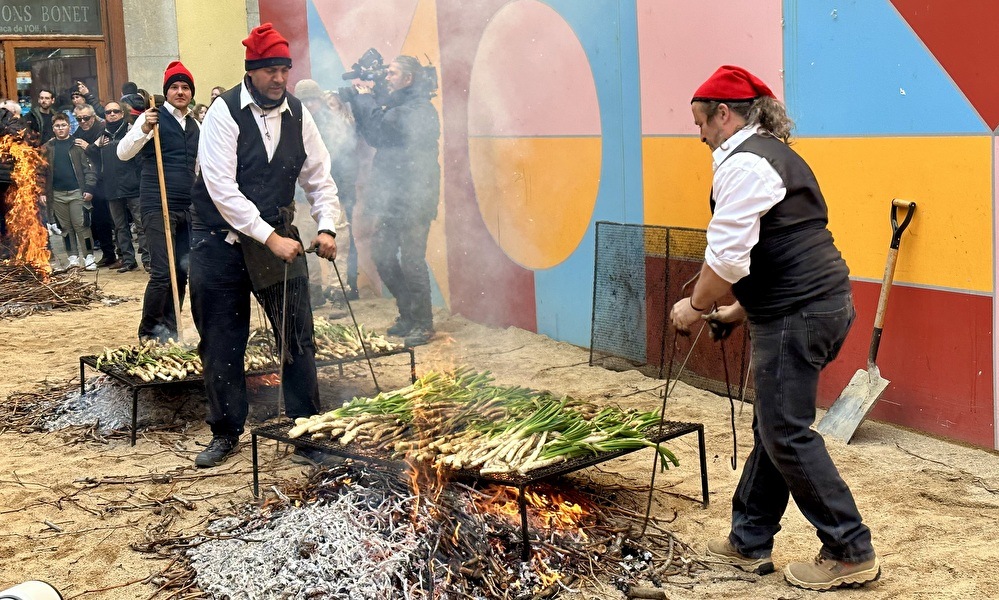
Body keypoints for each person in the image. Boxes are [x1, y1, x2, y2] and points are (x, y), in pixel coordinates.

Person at [668, 65, 879, 591]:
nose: (699, 135)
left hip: (799, 312)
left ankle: (850, 549)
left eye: (700, 123)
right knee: (776, 424)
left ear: (723, 113)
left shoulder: (744, 165)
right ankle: (749, 540)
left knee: (785, 431)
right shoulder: (774, 154)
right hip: (818, 302)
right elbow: (781, 242)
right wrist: (739, 310)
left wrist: (695, 305)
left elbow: (729, 257)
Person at [188, 23, 341, 468]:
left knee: (297, 335)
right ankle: (225, 430)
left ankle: (305, 427)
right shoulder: (222, 112)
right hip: (219, 241)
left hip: (277, 234)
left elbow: (319, 177)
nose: (279, 79)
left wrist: (327, 226)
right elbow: (221, 187)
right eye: (270, 71)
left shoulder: (299, 113)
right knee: (221, 338)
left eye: (284, 70)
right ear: (250, 72)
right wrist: (268, 237)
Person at [343, 55, 440, 346]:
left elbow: (383, 129)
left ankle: (423, 323)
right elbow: (376, 133)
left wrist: (365, 100)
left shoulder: (420, 109)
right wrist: (368, 100)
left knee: (411, 260)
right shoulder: (399, 103)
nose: (387, 77)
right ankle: (408, 313)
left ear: (408, 78)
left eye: (393, 73)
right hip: (391, 196)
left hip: (415, 197)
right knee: (383, 257)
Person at [117, 61, 200, 342]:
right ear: (167, 91)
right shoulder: (151, 118)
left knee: (181, 273)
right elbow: (122, 153)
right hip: (157, 204)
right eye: (174, 87)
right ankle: (149, 331)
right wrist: (143, 130)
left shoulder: (195, 125)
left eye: (185, 87)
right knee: (162, 273)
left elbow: (200, 167)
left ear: (191, 93)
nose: (180, 91)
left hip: (186, 208)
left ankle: (171, 330)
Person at [293, 79, 359, 303]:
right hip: (303, 195)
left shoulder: (333, 123)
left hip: (333, 192)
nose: (309, 104)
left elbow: (345, 160)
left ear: (319, 99)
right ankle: (315, 290)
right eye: (304, 100)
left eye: (312, 99)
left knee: (336, 241)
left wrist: (341, 192)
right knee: (304, 240)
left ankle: (339, 291)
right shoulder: (295, 123)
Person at [90, 100, 144, 272]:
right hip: (111, 188)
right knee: (120, 227)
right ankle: (128, 260)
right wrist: (96, 145)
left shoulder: (130, 130)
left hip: (132, 186)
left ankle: (149, 259)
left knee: (141, 224)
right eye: (108, 112)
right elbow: (91, 155)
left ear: (122, 113)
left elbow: (139, 156)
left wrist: (139, 179)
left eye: (115, 111)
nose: (112, 114)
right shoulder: (102, 134)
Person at [39, 112, 98, 270]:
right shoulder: (47, 148)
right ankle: (72, 257)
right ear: (53, 128)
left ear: (69, 127)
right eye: (57, 126)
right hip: (57, 194)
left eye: (63, 125)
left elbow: (89, 169)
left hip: (77, 192)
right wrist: (42, 192)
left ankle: (88, 256)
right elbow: (41, 172)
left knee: (81, 225)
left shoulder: (77, 145)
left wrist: (89, 188)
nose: (60, 128)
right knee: (65, 228)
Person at [74, 104, 118, 269]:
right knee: (98, 221)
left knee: (112, 221)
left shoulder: (102, 130)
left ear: (93, 117)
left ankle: (116, 255)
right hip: (93, 183)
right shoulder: (78, 133)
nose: (83, 121)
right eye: (79, 119)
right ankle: (108, 254)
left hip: (108, 180)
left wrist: (88, 147)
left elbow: (105, 154)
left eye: (86, 118)